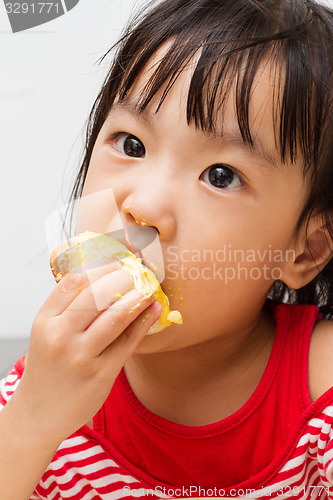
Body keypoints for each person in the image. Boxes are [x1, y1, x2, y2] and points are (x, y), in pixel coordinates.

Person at [1, 0, 333, 498]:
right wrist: (33, 423)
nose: (143, 206)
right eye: (130, 145)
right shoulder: (41, 393)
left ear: (304, 252)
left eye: (221, 176)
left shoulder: (320, 384)